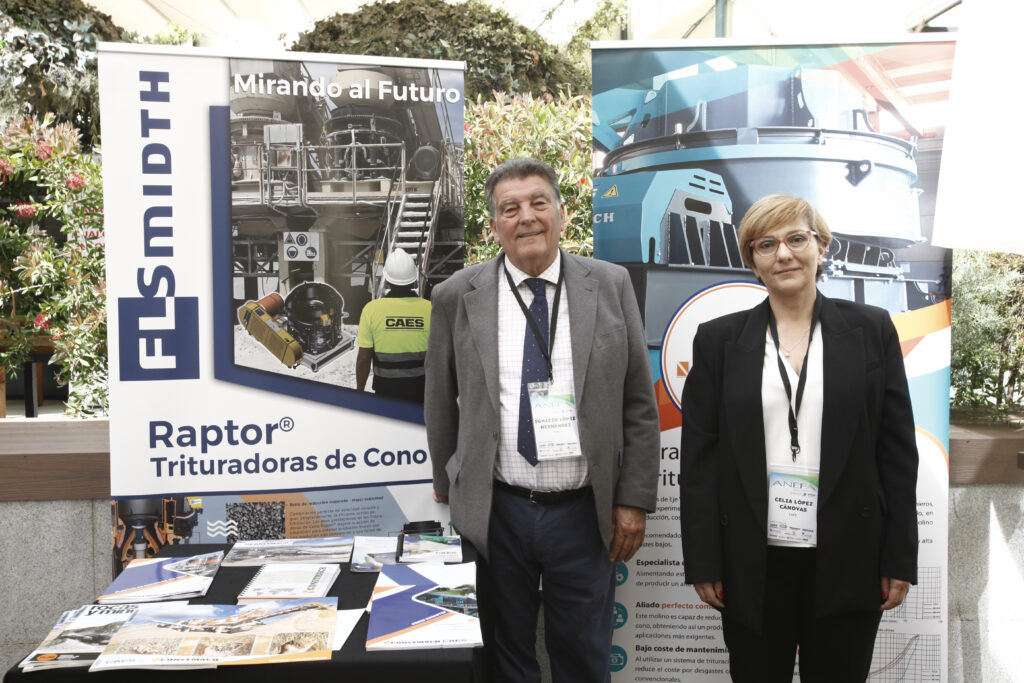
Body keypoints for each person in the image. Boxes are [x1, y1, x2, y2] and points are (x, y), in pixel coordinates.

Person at [424, 157, 660, 682]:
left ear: (561, 212)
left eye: (538, 203)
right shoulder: (456, 295)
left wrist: (633, 500)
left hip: (585, 512)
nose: (526, 217)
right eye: (510, 209)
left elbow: (638, 403)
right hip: (498, 512)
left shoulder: (611, 284)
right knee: (506, 653)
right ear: (494, 225)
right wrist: (446, 481)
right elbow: (439, 399)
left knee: (583, 655)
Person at [679, 194, 919, 682]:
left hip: (849, 553)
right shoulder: (718, 340)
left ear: (821, 246)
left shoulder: (871, 330)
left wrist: (899, 556)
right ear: (752, 261)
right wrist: (704, 561)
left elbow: (896, 453)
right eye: (766, 245)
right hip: (752, 560)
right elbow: (699, 462)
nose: (783, 254)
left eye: (796, 239)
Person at [355, 248, 431, 403]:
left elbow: (363, 358)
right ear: (414, 279)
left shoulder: (371, 309)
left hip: (385, 390)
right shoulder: (430, 308)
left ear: (387, 279)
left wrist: (359, 391)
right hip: (421, 390)